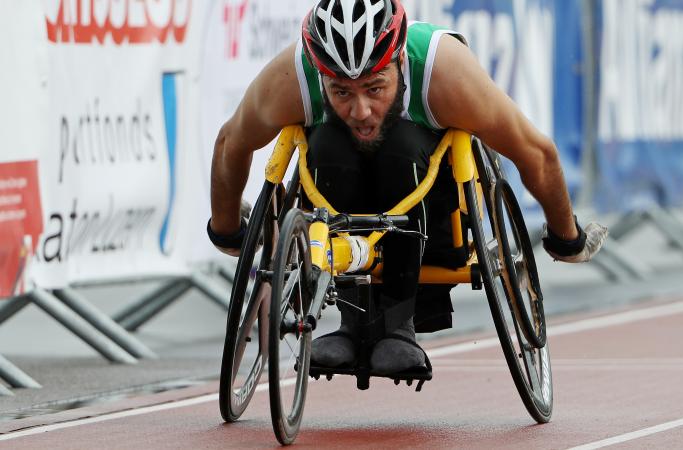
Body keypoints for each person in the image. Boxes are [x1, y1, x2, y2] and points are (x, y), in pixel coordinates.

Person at [207, 0, 607, 376]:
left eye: (375, 88)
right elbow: (231, 142)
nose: (360, 110)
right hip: (335, 184)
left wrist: (565, 237)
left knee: (401, 144)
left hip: (429, 196)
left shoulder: (443, 71)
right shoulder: (294, 77)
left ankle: (399, 324)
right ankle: (352, 322)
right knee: (327, 142)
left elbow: (536, 153)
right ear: (319, 73)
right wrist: (228, 232)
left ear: (400, 61)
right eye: (341, 92)